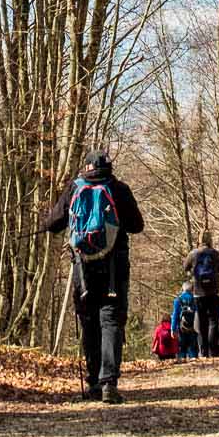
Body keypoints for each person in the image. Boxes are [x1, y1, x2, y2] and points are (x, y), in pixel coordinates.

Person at [38, 150, 144, 403]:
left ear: (86, 167)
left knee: (89, 321)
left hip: (83, 267)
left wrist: (43, 219)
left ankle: (94, 382)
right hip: (114, 266)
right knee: (110, 320)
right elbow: (137, 225)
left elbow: (53, 223)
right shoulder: (119, 188)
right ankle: (109, 382)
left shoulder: (75, 188)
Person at [183, 238, 219, 360]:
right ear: (210, 241)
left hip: (198, 292)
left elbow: (185, 267)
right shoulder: (215, 253)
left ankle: (204, 351)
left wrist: (192, 273)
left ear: (199, 241)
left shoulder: (193, 253)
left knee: (201, 321)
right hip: (214, 291)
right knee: (213, 321)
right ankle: (213, 350)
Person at [170, 281, 200, 360]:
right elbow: (198, 314)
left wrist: (173, 329)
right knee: (193, 348)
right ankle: (194, 363)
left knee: (182, 347)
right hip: (193, 327)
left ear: (183, 289)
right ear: (192, 289)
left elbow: (175, 315)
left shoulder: (178, 300)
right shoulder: (195, 300)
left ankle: (182, 361)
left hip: (181, 328)